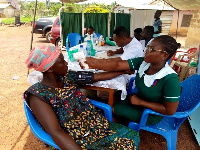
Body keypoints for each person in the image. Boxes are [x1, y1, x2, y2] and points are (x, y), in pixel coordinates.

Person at [23, 45, 139, 150]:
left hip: (96, 127)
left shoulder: (67, 77)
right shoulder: (38, 96)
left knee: (133, 137)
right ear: (50, 68)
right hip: (77, 140)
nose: (66, 63)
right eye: (62, 62)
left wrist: (123, 71)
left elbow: (97, 76)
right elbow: (56, 132)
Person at [83, 35, 181, 125]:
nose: (146, 51)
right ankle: (118, 118)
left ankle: (117, 122)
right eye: (147, 47)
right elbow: (118, 65)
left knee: (109, 108)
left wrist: (140, 102)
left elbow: (169, 110)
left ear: (164, 55)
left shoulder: (170, 79)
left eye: (151, 49)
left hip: (149, 113)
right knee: (111, 98)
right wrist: (95, 62)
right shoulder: (144, 62)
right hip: (137, 99)